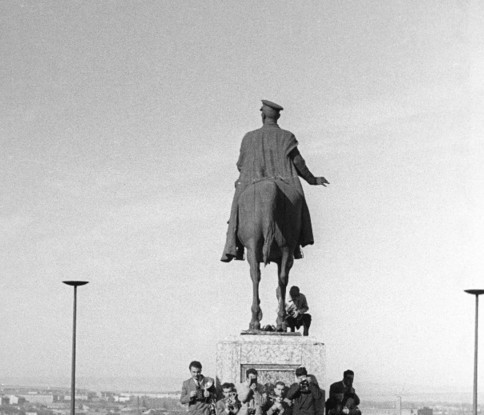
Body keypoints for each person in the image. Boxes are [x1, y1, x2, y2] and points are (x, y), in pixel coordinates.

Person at [221, 99, 329, 262]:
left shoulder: (249, 137)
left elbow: (240, 164)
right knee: (300, 206)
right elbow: (299, 162)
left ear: (263, 115)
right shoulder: (287, 137)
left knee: (237, 206)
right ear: (277, 117)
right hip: (285, 180)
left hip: (252, 180)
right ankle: (301, 239)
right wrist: (312, 180)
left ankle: (232, 245)